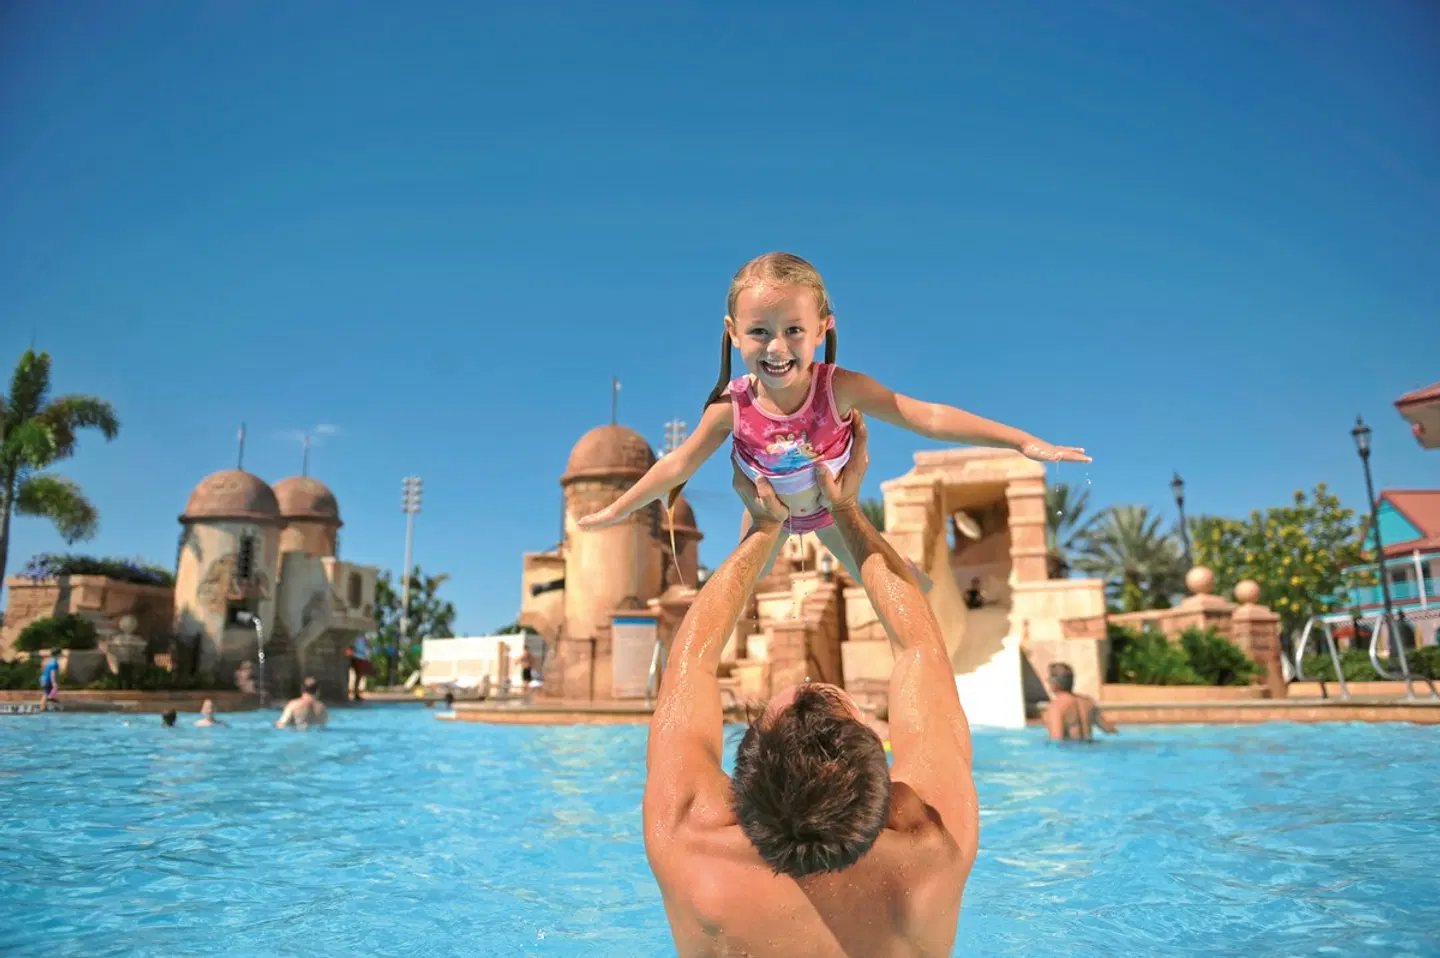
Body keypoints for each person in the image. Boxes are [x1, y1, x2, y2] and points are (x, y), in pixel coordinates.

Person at [644, 411, 978, 957]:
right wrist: (845, 509)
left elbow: (690, 664)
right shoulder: (932, 852)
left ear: (734, 789)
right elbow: (920, 648)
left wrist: (763, 528)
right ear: (893, 797)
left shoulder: (690, 844)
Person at [579, 251, 1089, 591]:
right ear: (734, 334)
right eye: (759, 331)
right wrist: (618, 510)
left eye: (794, 330)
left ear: (823, 328)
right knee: (731, 600)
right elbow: (677, 466)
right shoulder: (729, 408)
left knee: (899, 589)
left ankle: (905, 576)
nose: (777, 348)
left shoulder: (838, 388)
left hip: (829, 512)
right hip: (766, 514)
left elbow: (928, 417)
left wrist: (1022, 442)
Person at [1044, 662, 1117, 742]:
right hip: (1090, 750)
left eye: (1048, 679)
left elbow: (1057, 741)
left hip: (1071, 752)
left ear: (1054, 683)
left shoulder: (1056, 706)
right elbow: (1111, 731)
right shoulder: (1088, 702)